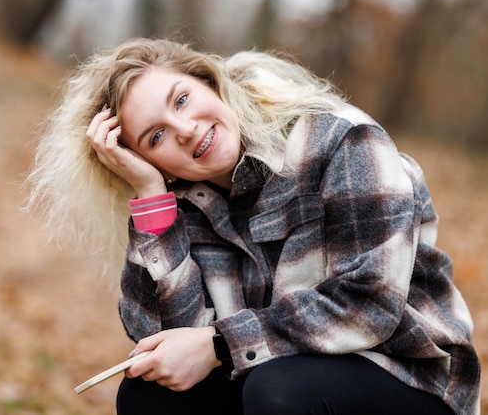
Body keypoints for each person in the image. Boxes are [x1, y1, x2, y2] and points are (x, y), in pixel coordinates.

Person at [25, 37, 481, 414]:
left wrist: (220, 344)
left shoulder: (341, 140)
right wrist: (151, 200)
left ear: (210, 83)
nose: (184, 129)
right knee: (149, 397)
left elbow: (370, 305)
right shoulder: (178, 201)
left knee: (278, 391)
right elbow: (169, 345)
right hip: (277, 370)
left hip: (407, 373)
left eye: (182, 99)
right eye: (155, 137)